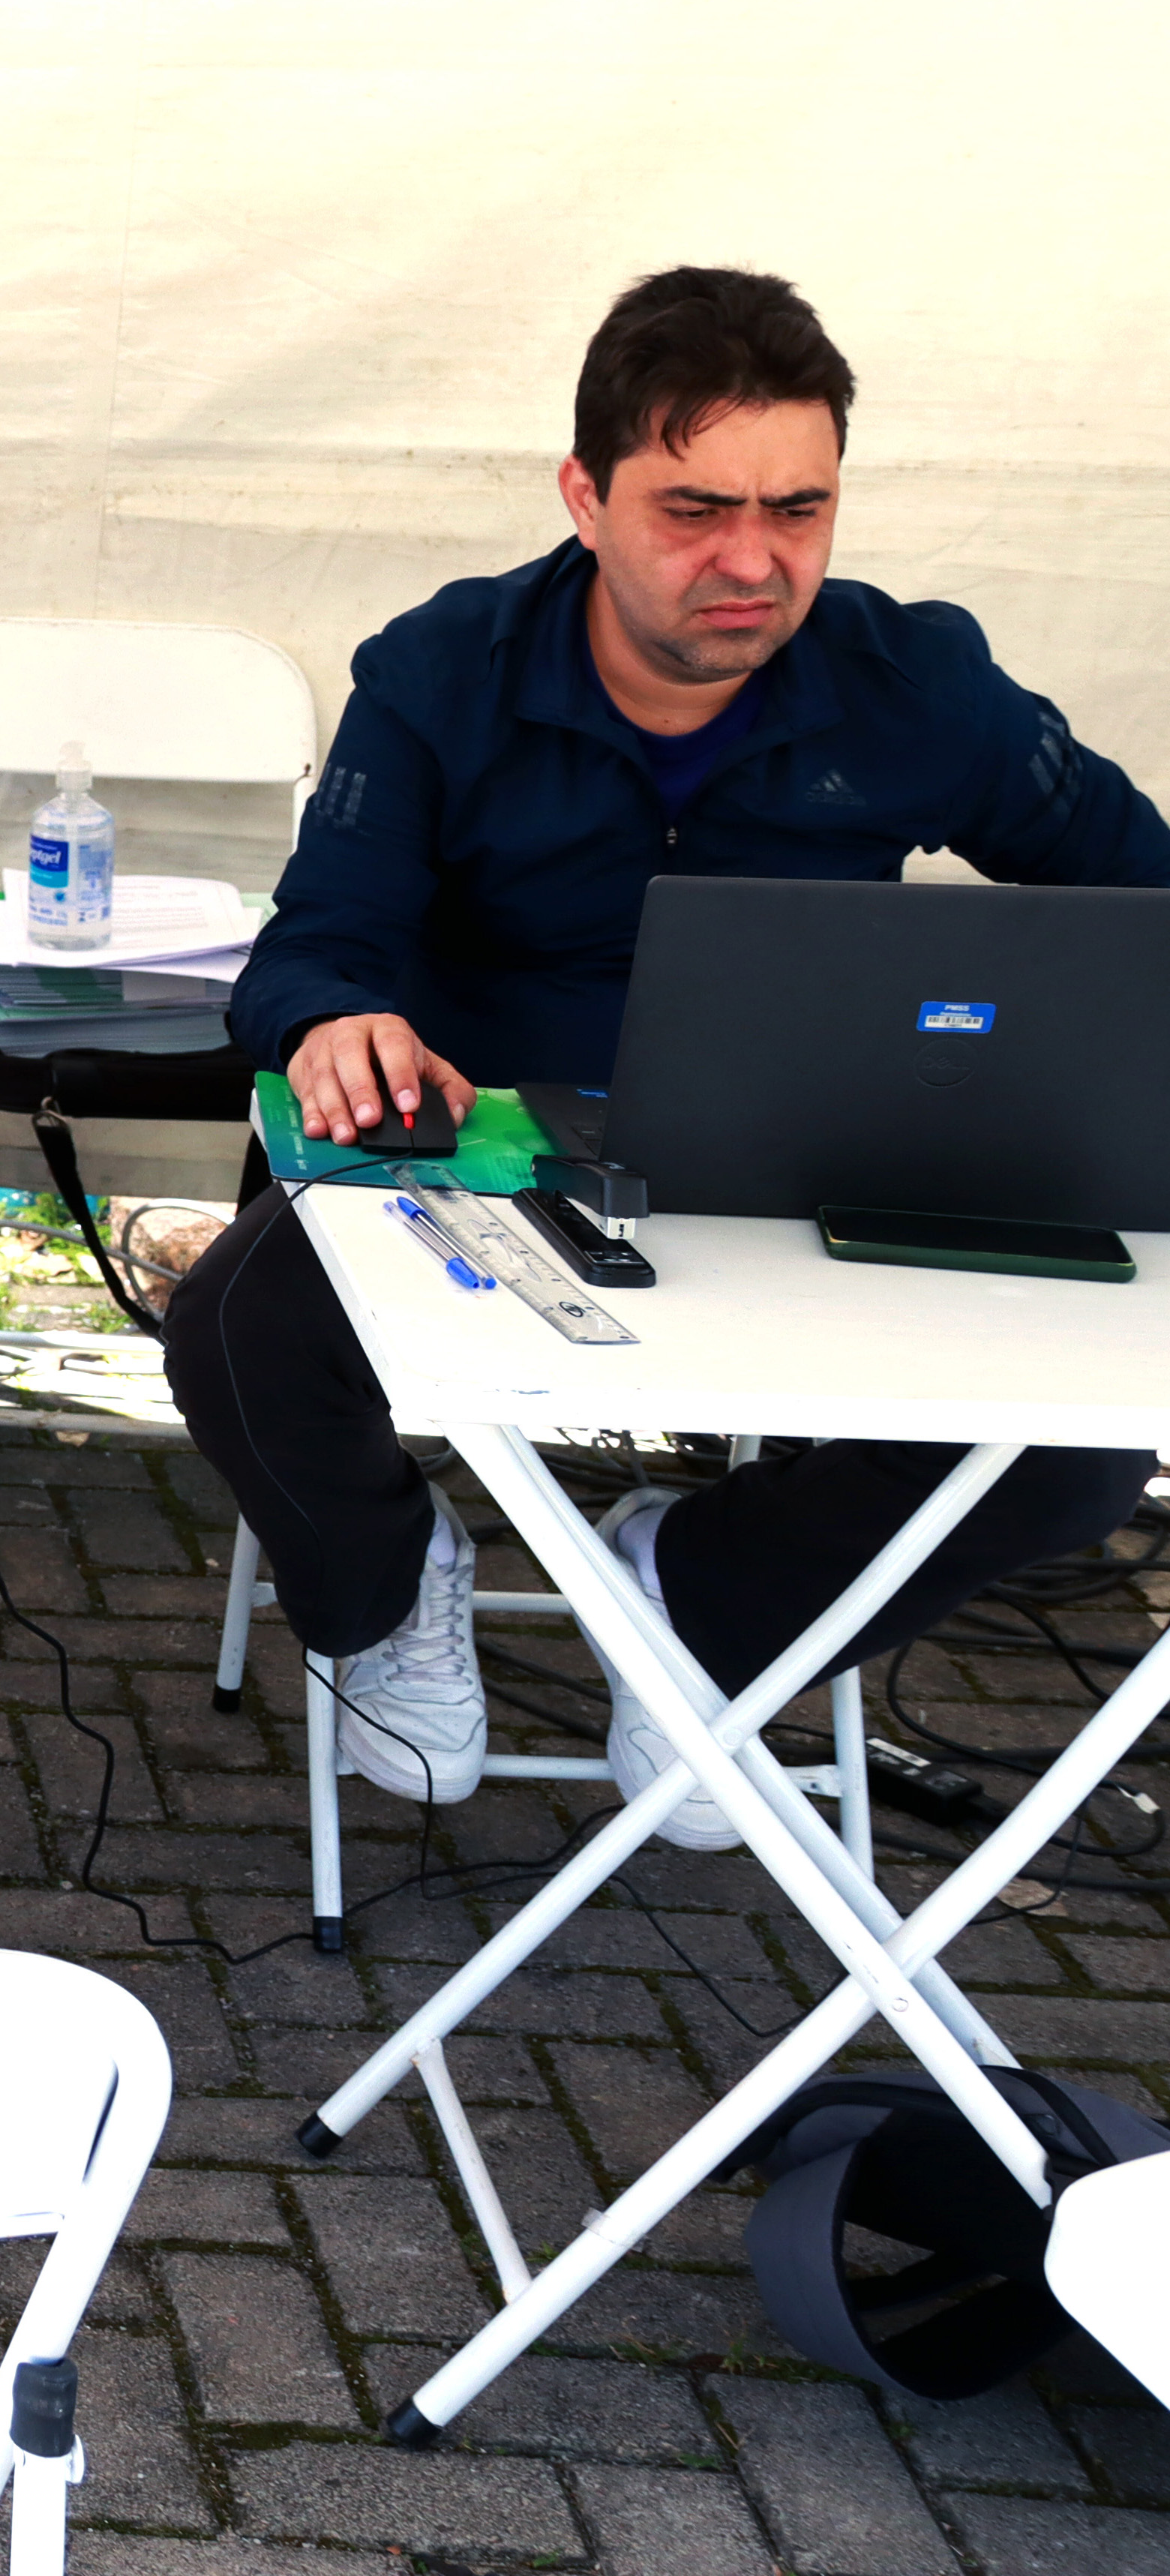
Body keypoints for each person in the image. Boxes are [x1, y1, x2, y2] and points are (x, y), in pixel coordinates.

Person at [166, 265, 1170, 1847]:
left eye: (797, 510)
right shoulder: (443, 670)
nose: (751, 561)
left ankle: (704, 1594)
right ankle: (386, 1588)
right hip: (481, 1149)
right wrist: (331, 1020)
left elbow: (1141, 897)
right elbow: (316, 941)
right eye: (695, 509)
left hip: (803, 1157)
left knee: (1077, 1456)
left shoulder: (919, 685)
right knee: (235, 1330)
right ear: (585, 496)